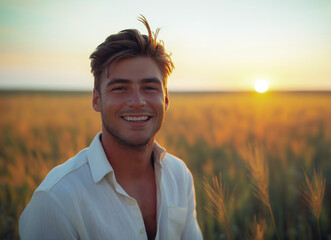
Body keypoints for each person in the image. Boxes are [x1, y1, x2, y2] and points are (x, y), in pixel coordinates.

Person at [19, 15, 202, 240]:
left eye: (150, 87)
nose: (137, 101)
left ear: (165, 99)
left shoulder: (179, 175)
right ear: (96, 100)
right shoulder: (56, 199)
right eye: (119, 88)